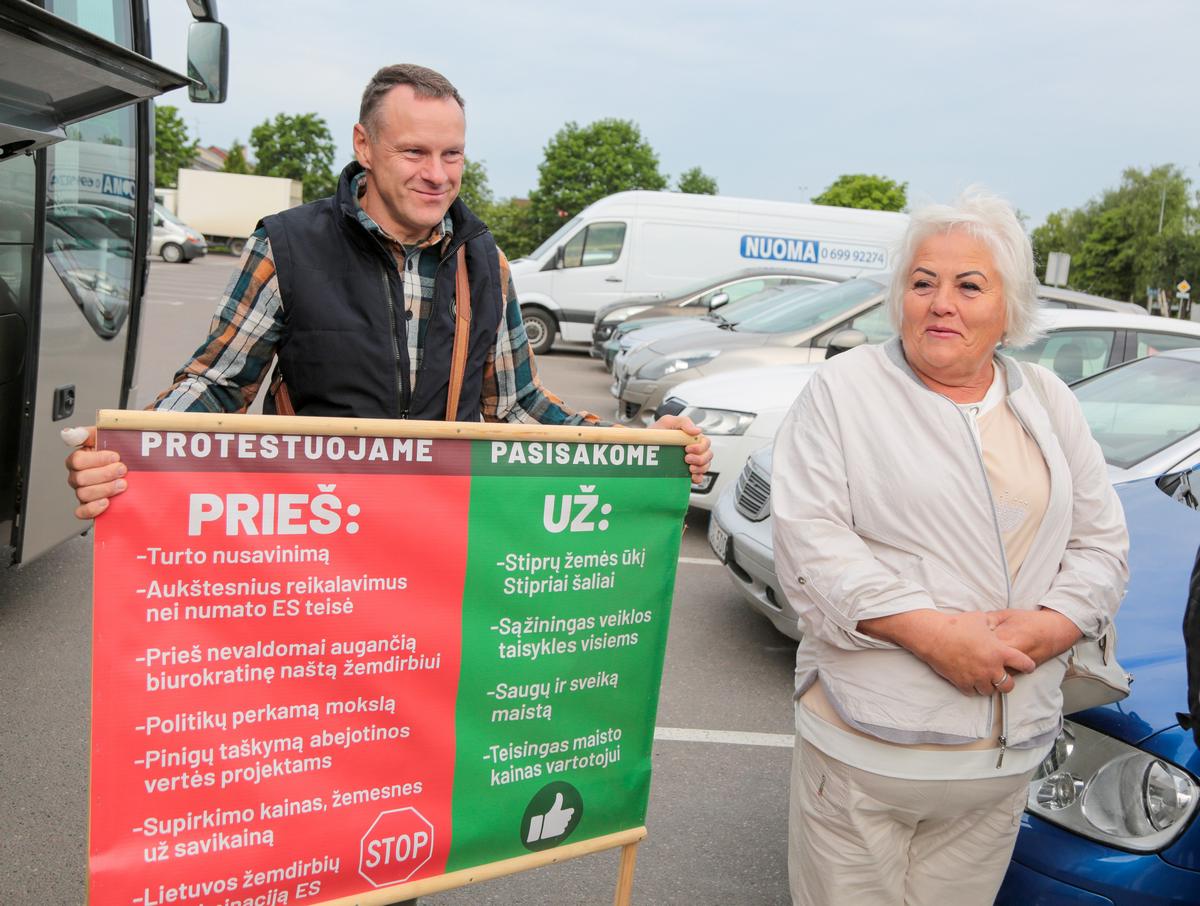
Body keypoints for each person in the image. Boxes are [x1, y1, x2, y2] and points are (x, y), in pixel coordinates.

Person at [65, 64, 710, 513]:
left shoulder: (488, 265)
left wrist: (646, 451)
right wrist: (127, 452)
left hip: (440, 540)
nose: (437, 175)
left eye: (452, 154)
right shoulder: (288, 246)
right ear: (364, 146)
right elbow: (218, 385)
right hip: (317, 538)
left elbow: (517, 409)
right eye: (414, 153)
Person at [772, 188, 1128, 905]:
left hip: (1002, 760)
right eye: (923, 282)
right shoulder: (844, 390)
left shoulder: (1048, 400)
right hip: (864, 752)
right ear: (899, 296)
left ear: (1009, 308)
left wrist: (1049, 625)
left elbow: (1102, 542)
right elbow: (812, 547)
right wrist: (936, 637)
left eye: (969, 285)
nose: (942, 302)